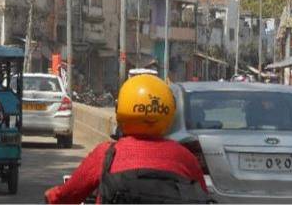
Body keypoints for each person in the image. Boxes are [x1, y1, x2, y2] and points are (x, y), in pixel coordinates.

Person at [45, 74, 209, 204]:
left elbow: (70, 195)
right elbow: (202, 195)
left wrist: (52, 196)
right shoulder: (186, 158)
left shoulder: (108, 154)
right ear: (169, 113)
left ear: (120, 111)